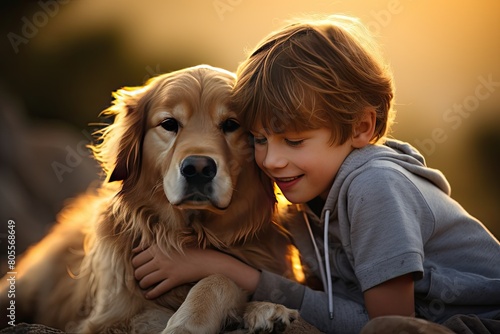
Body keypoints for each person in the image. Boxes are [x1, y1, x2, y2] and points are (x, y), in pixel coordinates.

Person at [132, 15, 500, 333]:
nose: (272, 160)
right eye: (259, 138)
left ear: (361, 127)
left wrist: (228, 270)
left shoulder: (375, 187)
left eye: (293, 140)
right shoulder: (303, 197)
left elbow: (384, 325)